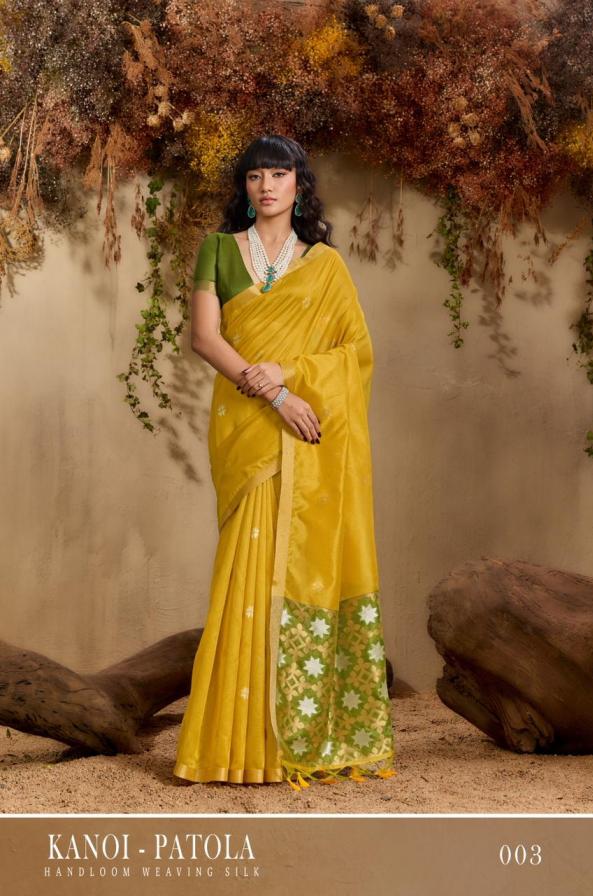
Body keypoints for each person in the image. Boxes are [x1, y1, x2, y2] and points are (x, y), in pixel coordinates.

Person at [173, 134, 396, 790]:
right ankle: (230, 748)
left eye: (278, 174)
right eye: (255, 176)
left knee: (292, 566)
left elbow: (355, 353)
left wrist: (293, 374)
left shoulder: (325, 266)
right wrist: (275, 393)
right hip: (248, 428)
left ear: (299, 185)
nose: (266, 186)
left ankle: (291, 739)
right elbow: (205, 337)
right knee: (243, 573)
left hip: (304, 434)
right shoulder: (219, 250)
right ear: (243, 188)